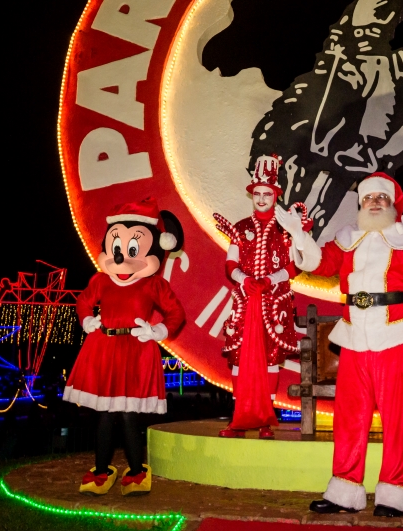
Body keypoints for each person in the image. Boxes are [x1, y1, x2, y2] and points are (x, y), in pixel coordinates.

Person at [276, 172, 403, 517]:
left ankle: (394, 493)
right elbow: (320, 264)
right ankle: (345, 491)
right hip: (354, 332)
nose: (375, 202)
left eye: (381, 197)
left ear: (393, 203)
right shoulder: (347, 237)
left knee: (397, 417)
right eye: (368, 198)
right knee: (349, 416)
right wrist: (298, 235)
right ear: (361, 204)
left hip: (397, 332)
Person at [64, 198, 185, 496]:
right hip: (103, 348)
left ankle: (135, 471)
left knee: (129, 414)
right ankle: (102, 472)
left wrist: (157, 330)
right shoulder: (101, 280)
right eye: (117, 249)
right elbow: (82, 302)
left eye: (133, 250)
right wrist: (86, 320)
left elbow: (176, 313)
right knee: (105, 413)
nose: (121, 259)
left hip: (135, 350)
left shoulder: (152, 284)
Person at [214, 154, 302, 439]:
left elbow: (295, 266)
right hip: (245, 302)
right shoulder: (240, 228)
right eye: (258, 194)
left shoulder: (286, 229)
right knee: (240, 359)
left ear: (276, 196)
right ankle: (239, 417)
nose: (262, 199)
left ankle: (266, 419)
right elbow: (230, 265)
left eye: (268, 194)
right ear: (252, 195)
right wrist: (246, 280)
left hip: (274, 304)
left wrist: (271, 279)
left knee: (270, 360)